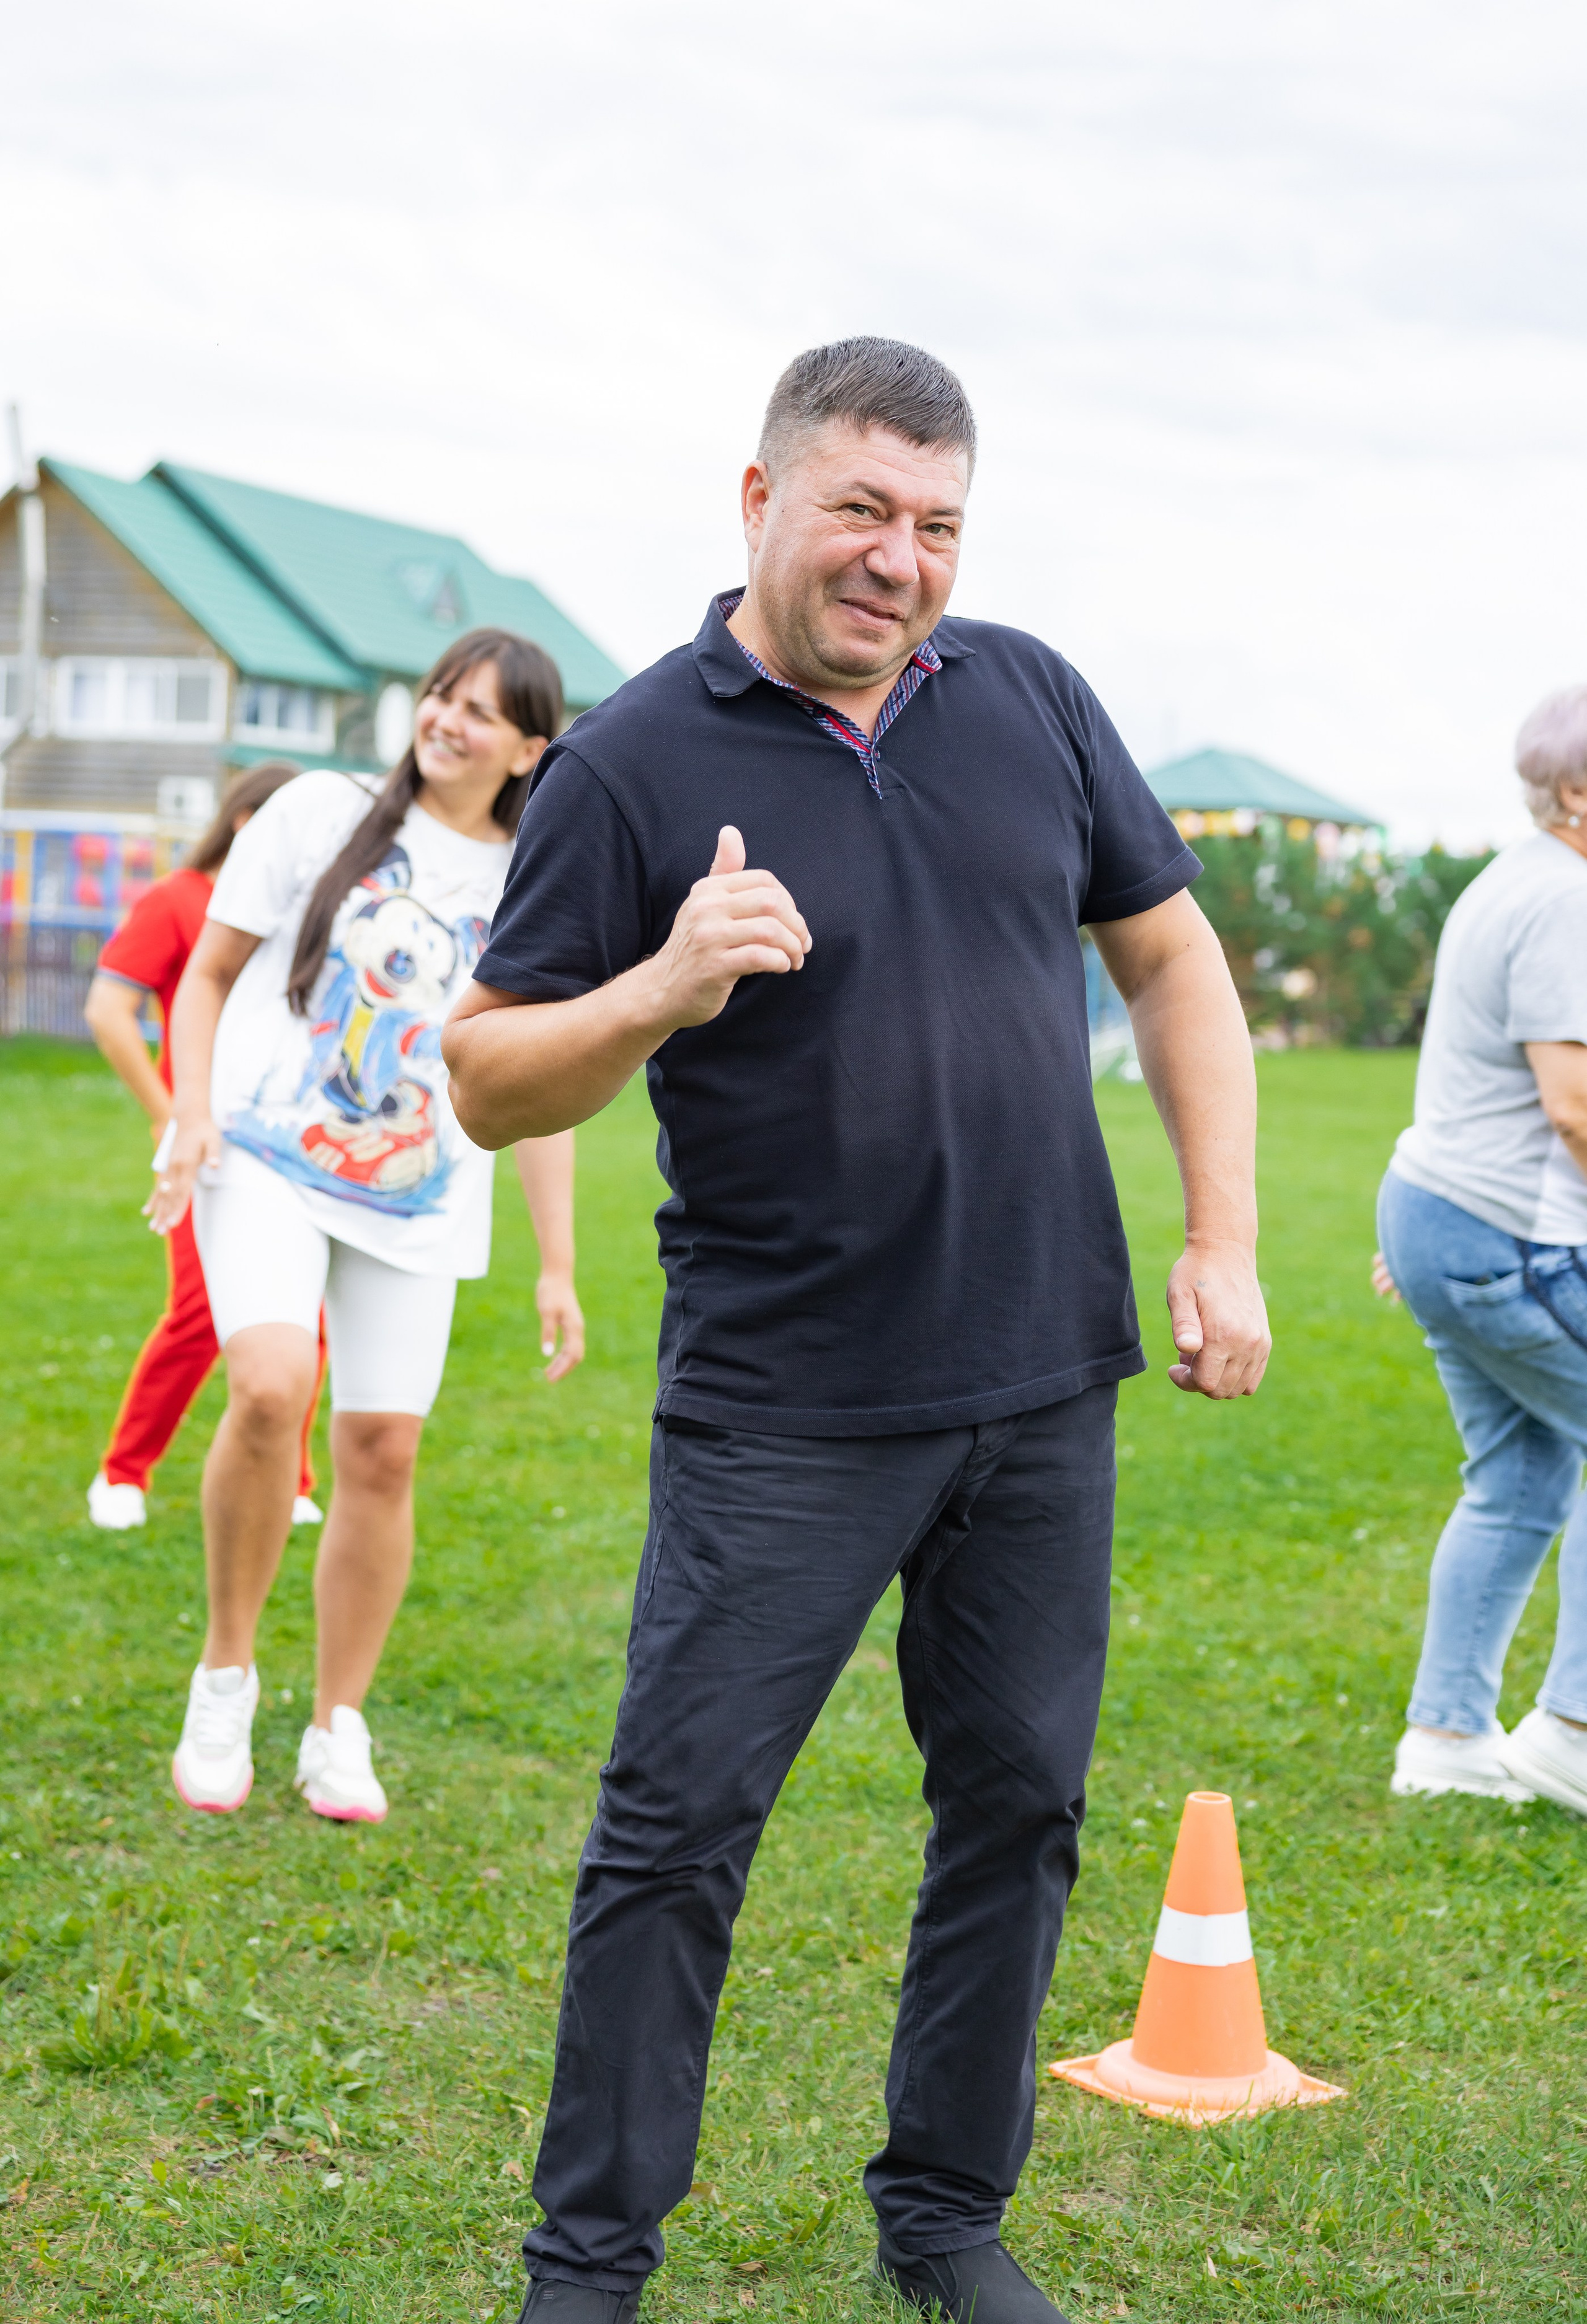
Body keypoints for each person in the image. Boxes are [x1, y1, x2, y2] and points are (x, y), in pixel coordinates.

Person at [444, 338, 1270, 2324]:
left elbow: (1168, 956)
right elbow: (485, 1077)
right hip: (788, 1412)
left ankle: (944, 2216)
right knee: (677, 1831)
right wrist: (656, 985)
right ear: (757, 501)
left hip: (1038, 1380)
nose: (897, 561)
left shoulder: (1028, 699)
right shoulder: (635, 758)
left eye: (935, 525)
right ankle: (588, 2267)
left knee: (1018, 1802)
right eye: (860, 513)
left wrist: (1220, 1234)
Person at [149, 629, 585, 1826]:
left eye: (482, 712)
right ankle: (225, 1673)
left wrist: (557, 1264)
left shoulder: (530, 880)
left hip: (421, 1191)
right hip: (268, 1157)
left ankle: (338, 1721)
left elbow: (538, 1085)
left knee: (385, 1449)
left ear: (528, 749)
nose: (448, 718)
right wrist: (188, 1111)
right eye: (443, 692)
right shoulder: (315, 810)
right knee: (274, 1383)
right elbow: (207, 974)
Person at [1374, 684, 1587, 1819]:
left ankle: (1449, 1737)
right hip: (1502, 1235)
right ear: (1577, 792)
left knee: (1519, 1480)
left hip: (1446, 1218)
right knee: (1528, 1475)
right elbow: (1574, 1106)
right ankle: (1572, 1728)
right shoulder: (1565, 902)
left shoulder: (1517, 879)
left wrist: (1425, 1246)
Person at [84, 760, 325, 1531]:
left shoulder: (301, 914)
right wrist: (168, 1113)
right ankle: (123, 1473)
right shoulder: (179, 900)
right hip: (204, 1138)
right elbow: (107, 1011)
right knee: (198, 1312)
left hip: (288, 1137)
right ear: (248, 823)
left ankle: (290, 1479)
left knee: (304, 1319)